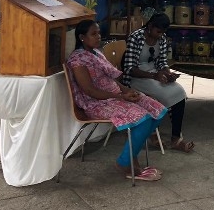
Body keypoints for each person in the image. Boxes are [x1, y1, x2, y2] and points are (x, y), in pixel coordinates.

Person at [67, 20, 166, 181]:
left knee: (157, 110)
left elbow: (110, 80)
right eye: (94, 34)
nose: (98, 37)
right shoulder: (77, 60)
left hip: (115, 95)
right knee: (144, 118)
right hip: (96, 103)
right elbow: (90, 91)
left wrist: (128, 91)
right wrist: (120, 97)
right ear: (82, 37)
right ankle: (125, 163)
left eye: (99, 33)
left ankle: (131, 156)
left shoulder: (96, 52)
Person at [123, 12, 195, 153]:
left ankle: (176, 138)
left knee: (179, 92)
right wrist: (154, 76)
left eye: (162, 32)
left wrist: (168, 73)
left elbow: (162, 61)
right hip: (137, 78)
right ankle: (153, 133)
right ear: (150, 26)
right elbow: (129, 69)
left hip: (154, 74)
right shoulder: (135, 37)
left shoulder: (161, 39)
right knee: (167, 94)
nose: (160, 35)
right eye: (158, 31)